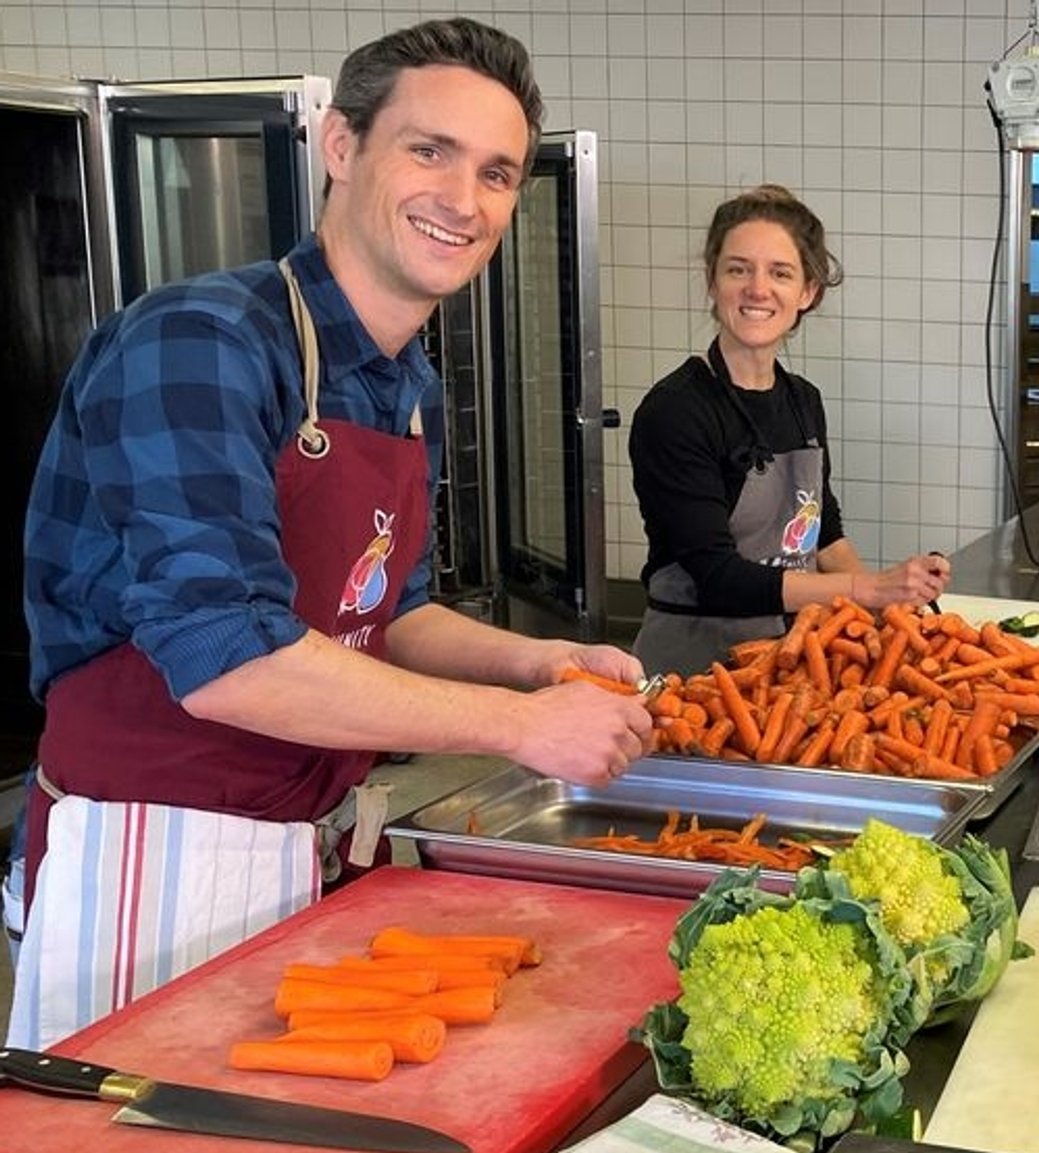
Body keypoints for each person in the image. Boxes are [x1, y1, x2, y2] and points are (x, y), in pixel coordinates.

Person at [9, 18, 653, 1047]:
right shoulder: (202, 341)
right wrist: (516, 728)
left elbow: (387, 612)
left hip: (311, 849)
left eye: (496, 173)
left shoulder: (405, 389)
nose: (464, 199)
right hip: (153, 856)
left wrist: (541, 664)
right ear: (341, 146)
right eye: (428, 150)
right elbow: (226, 660)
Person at [629, 185, 949, 677]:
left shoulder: (803, 400)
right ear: (713, 282)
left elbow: (825, 533)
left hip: (790, 657)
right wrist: (867, 589)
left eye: (780, 273)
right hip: (693, 674)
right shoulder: (676, 410)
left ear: (807, 292)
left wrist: (889, 612)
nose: (758, 289)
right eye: (738, 269)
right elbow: (717, 578)